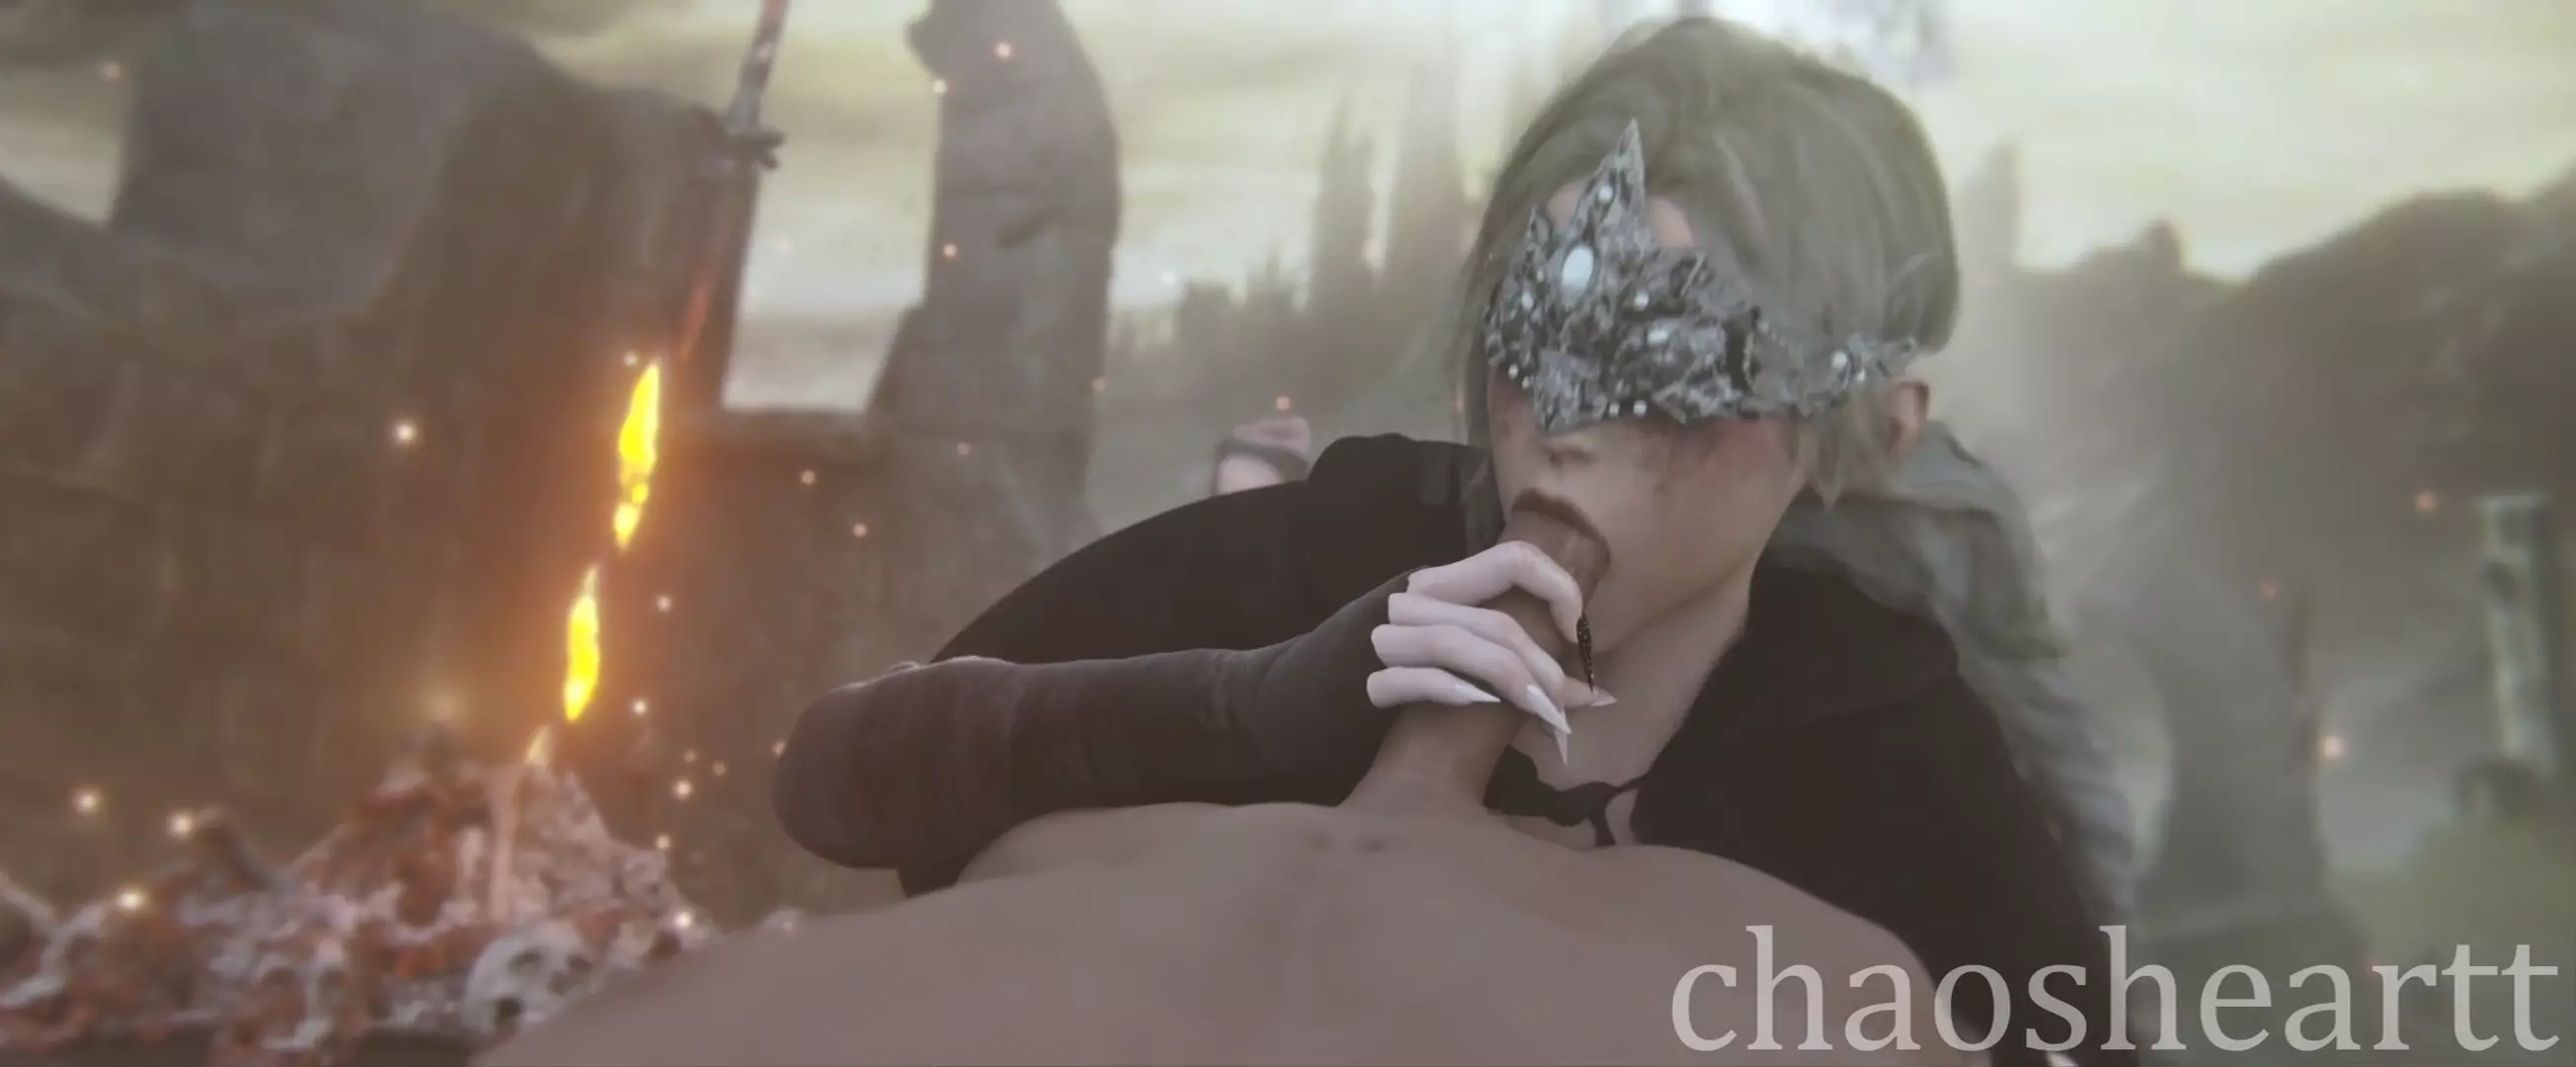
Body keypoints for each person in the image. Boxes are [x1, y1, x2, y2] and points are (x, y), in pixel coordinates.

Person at [776, 18, 2125, 1064]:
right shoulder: (1320, 556)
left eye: (1672, 374)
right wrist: (1242, 707)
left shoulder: (1882, 740)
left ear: (1866, 431)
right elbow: (837, 775)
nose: (1567, 431)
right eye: (1535, 343)